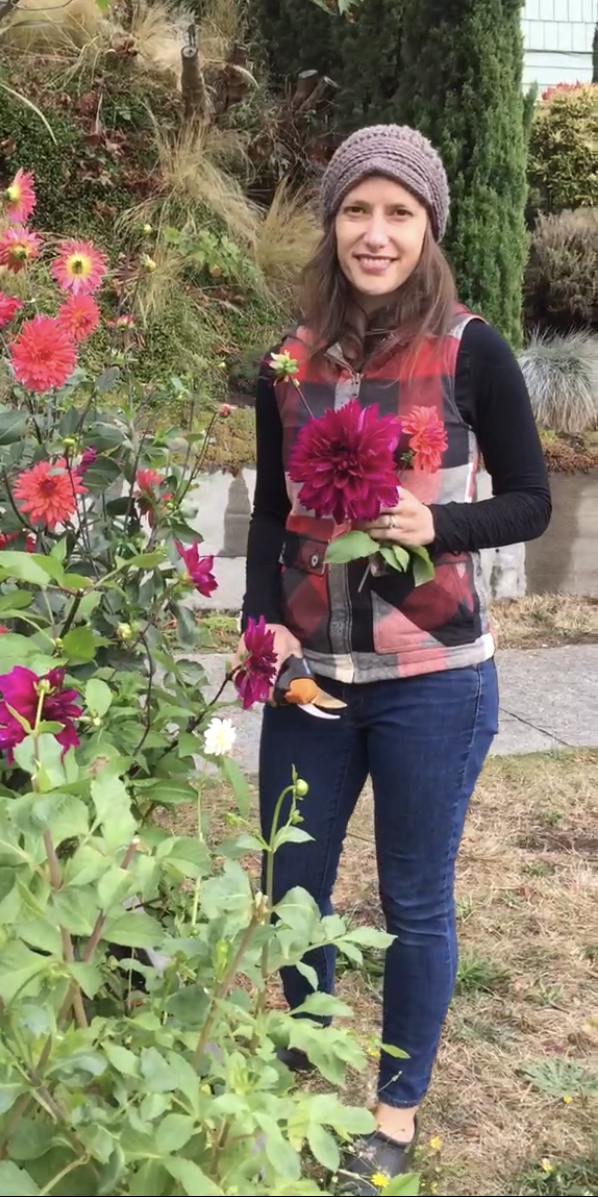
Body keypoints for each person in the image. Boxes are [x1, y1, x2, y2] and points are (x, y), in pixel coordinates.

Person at [241, 125, 551, 1193]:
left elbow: (533, 499)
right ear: (332, 224)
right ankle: (321, 1071)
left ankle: (393, 1110)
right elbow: (268, 516)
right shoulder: (287, 358)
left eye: (400, 213)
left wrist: (441, 524)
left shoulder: (473, 349)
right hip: (312, 681)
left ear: (429, 228)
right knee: (293, 891)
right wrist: (261, 624)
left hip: (434, 680)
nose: (377, 234)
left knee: (414, 898)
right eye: (358, 211)